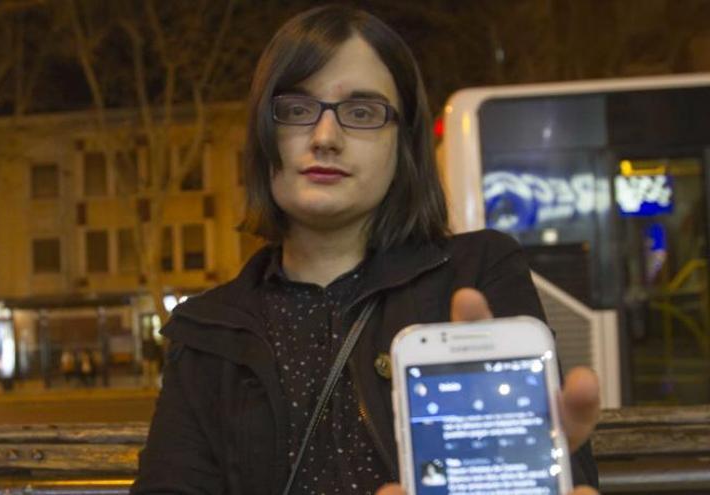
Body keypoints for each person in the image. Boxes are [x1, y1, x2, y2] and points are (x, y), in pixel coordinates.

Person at [132, 6, 600, 495]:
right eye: (296, 109)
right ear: (262, 135)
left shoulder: (478, 273)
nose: (325, 137)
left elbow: (553, 472)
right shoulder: (209, 329)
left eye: (362, 113)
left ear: (404, 143)